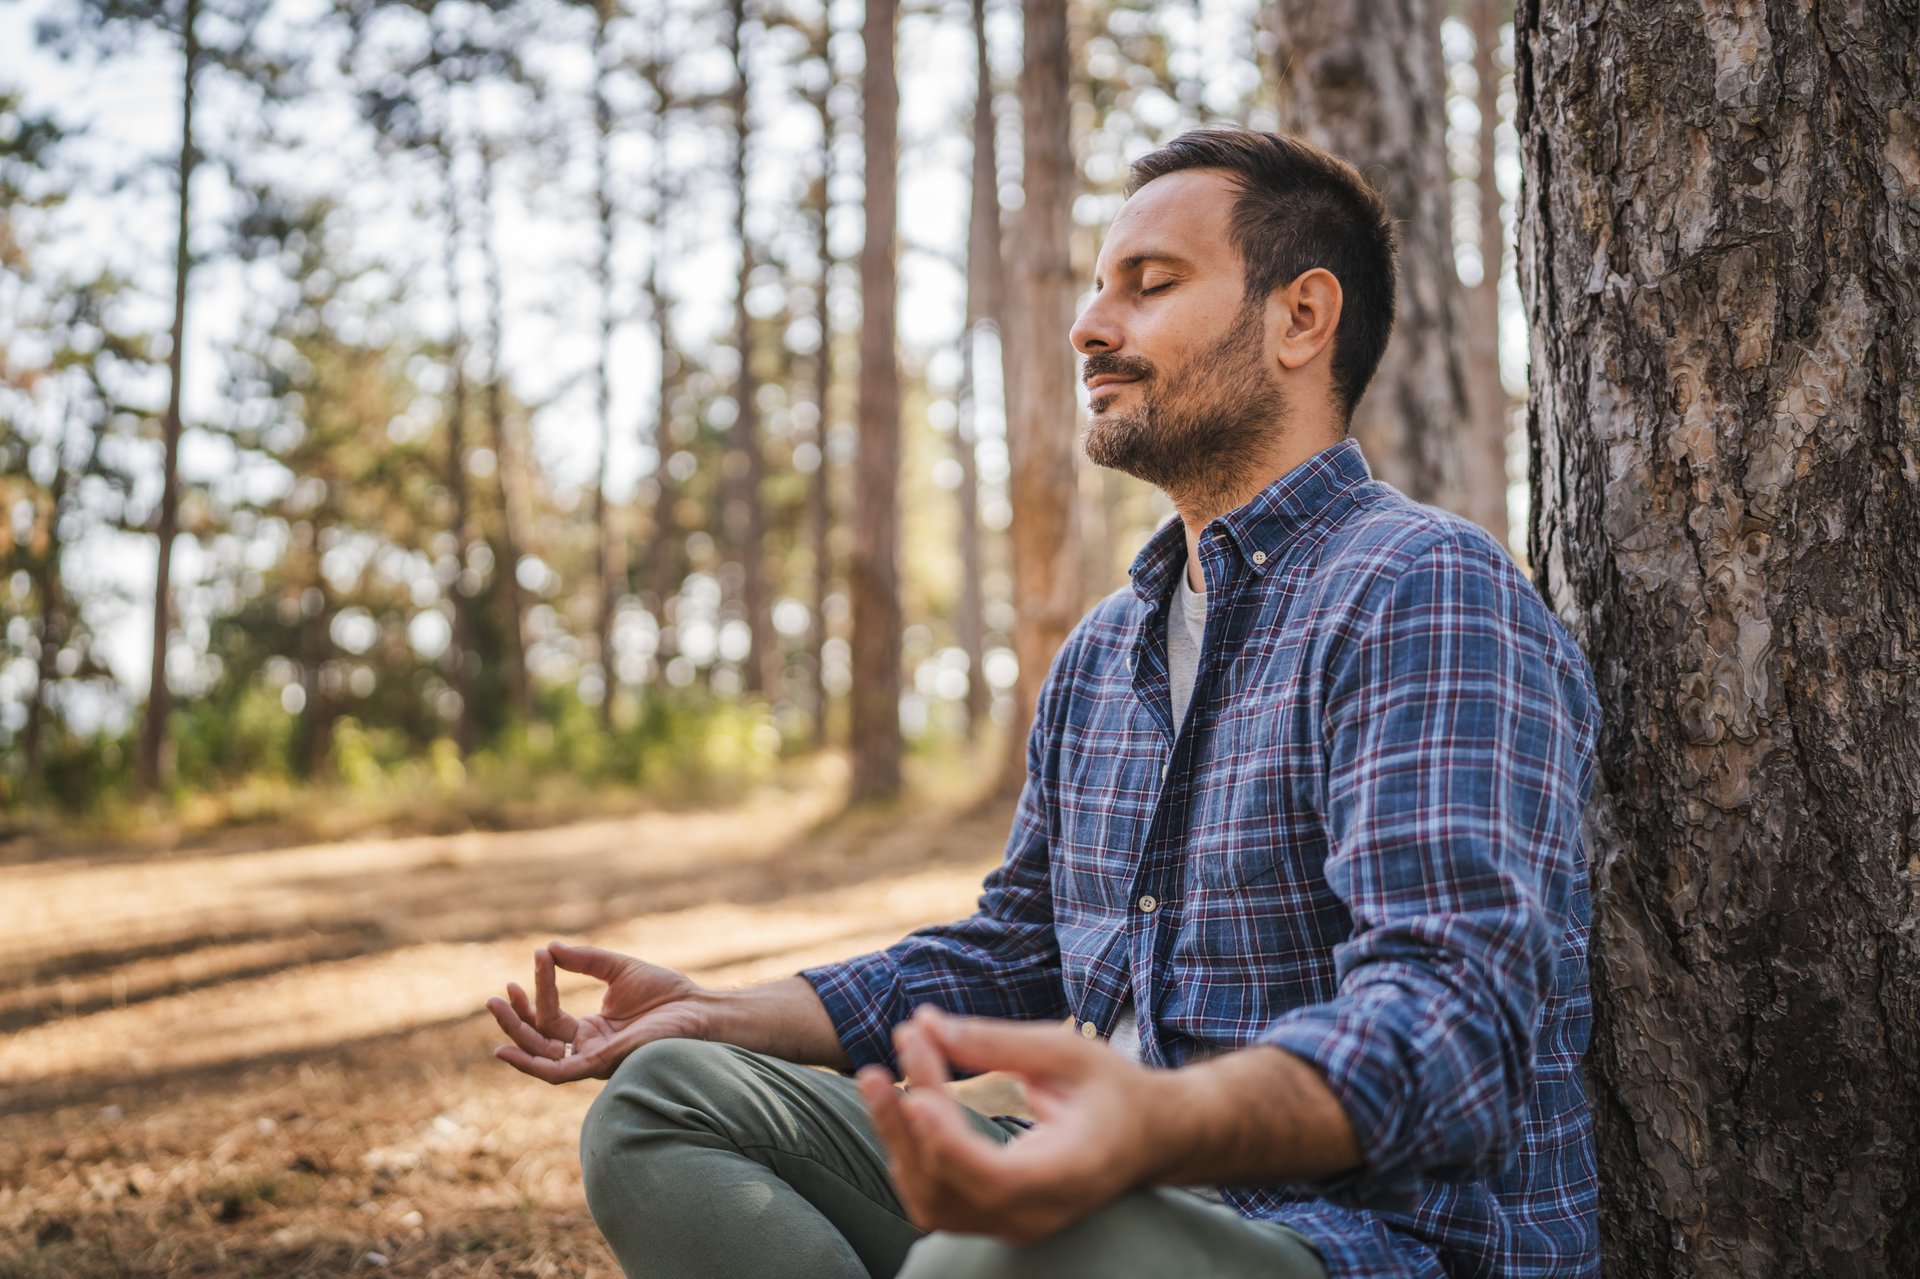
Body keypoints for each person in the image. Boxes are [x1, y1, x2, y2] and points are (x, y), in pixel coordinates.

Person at [487, 124, 1601, 1279]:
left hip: (1362, 1239)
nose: (1090, 325)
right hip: (1096, 1180)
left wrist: (1154, 1125)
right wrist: (724, 1011)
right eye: (1096, 286)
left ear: (1300, 318)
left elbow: (1458, 1017)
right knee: (668, 1100)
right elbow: (1022, 947)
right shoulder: (1105, 651)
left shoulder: (1420, 592)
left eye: (1150, 283)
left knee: (986, 1265)